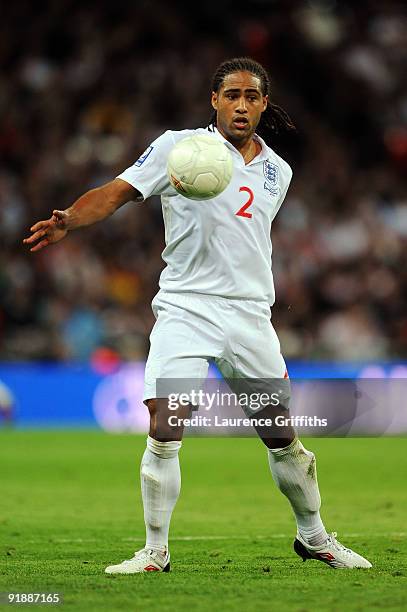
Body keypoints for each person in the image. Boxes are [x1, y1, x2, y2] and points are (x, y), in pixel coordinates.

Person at [24, 57, 372, 572]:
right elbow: (117, 193)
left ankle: (314, 537)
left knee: (281, 436)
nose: (241, 105)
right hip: (186, 310)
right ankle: (154, 551)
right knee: (166, 427)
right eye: (231, 94)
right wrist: (71, 219)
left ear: (263, 105)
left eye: (251, 97)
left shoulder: (279, 171)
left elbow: (245, 241)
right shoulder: (179, 149)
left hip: (251, 317)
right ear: (215, 100)